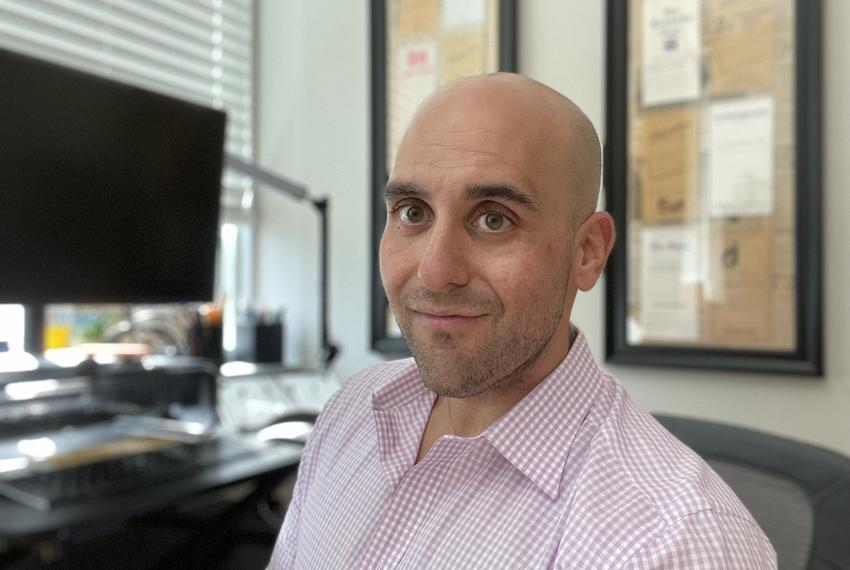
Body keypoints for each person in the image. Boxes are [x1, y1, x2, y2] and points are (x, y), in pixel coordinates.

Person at [268, 73, 776, 569]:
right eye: (413, 212)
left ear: (588, 253)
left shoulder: (675, 544)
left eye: (494, 218)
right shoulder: (350, 413)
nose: (436, 271)